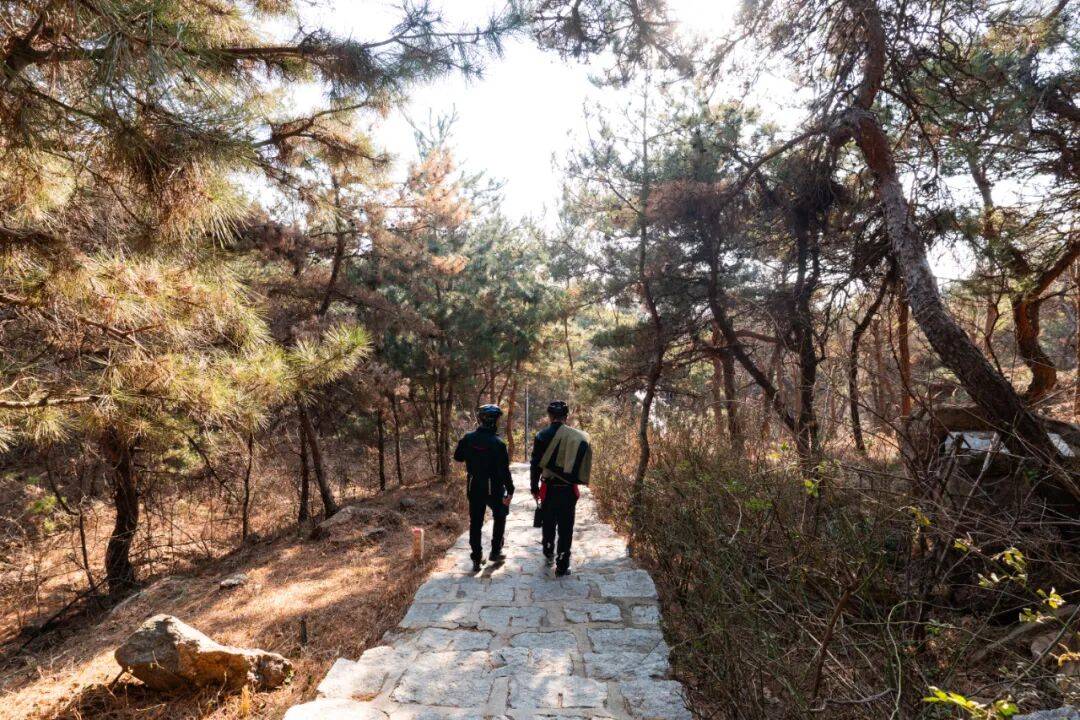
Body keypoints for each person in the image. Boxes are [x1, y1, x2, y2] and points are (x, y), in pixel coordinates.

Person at [530, 400, 592, 576]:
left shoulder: (541, 436)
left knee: (548, 523)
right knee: (566, 527)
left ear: (550, 416)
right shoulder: (576, 437)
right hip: (568, 489)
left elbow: (535, 465)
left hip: (548, 488)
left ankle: (549, 553)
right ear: (566, 416)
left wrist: (534, 487)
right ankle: (563, 565)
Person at [454, 404, 514, 572]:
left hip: (474, 485)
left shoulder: (468, 438)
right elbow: (504, 471)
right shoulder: (499, 444)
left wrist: (472, 455)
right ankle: (495, 551)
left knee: (476, 522)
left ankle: (476, 557)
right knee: (500, 515)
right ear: (495, 421)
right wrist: (510, 489)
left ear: (481, 419)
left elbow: (458, 457)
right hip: (494, 486)